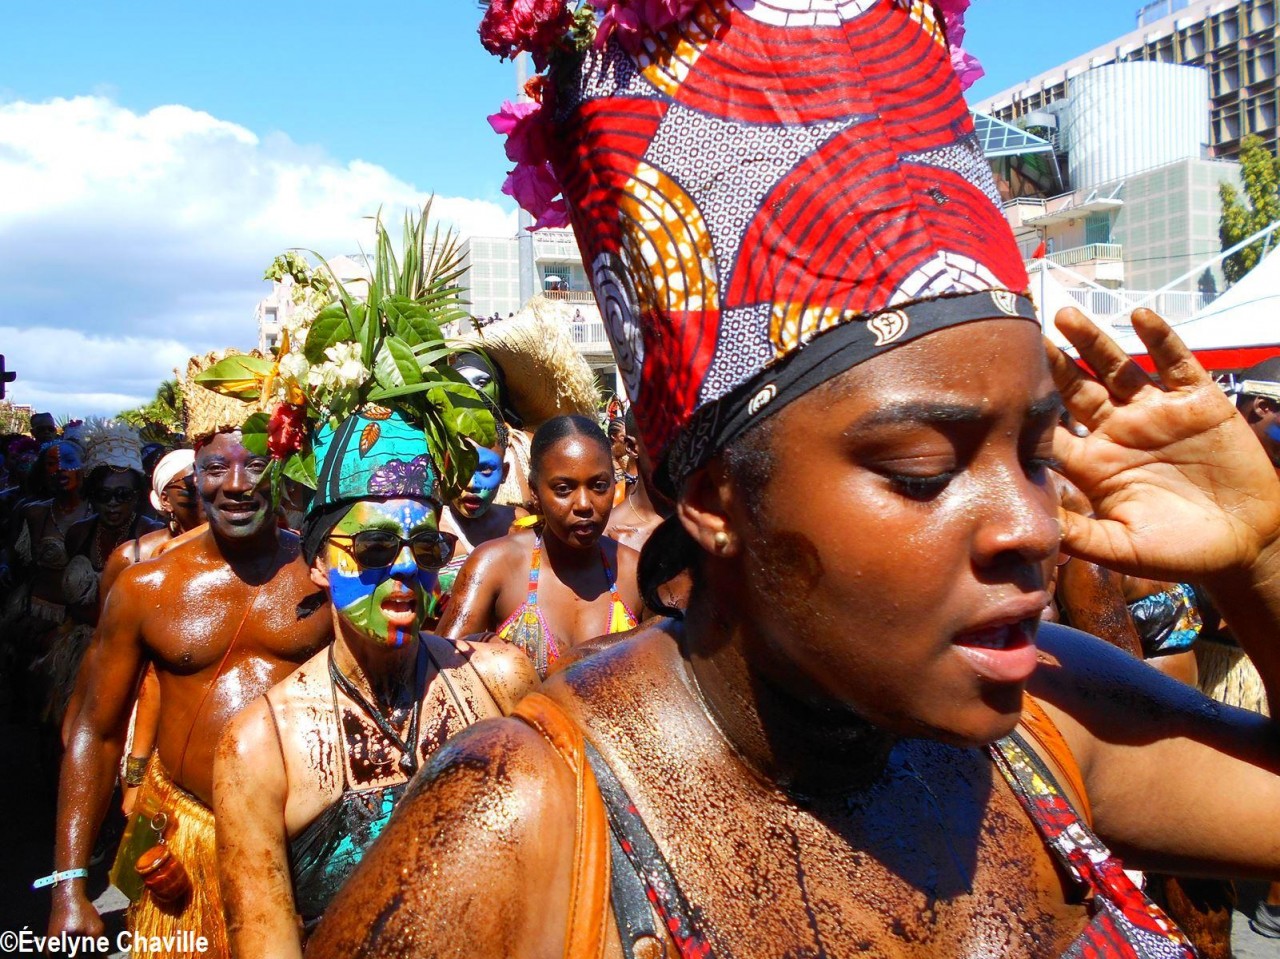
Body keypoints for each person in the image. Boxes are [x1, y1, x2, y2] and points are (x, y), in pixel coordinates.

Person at [309, 5, 1280, 956]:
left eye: (1034, 452)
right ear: (712, 497)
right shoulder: (520, 827)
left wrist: (1261, 555)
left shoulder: (1048, 715)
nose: (1029, 524)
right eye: (922, 470)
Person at [212, 407, 539, 959]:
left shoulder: (500, 681)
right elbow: (266, 940)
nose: (406, 567)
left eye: (427, 548)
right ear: (320, 564)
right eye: (376, 548)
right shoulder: (262, 747)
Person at [47, 351, 331, 958]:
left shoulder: (324, 574)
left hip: (311, 843)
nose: (236, 484)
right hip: (189, 837)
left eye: (256, 464)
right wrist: (69, 886)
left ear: (283, 468)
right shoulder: (147, 588)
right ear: (193, 475)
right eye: (215, 467)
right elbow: (94, 731)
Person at [440, 415, 641, 677]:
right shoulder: (494, 565)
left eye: (599, 486)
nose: (584, 504)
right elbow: (444, 670)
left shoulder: (635, 572)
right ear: (535, 491)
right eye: (563, 489)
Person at [437, 424, 522, 600]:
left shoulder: (518, 523)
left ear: (504, 473)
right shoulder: (433, 531)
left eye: (486, 470)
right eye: (462, 467)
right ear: (445, 468)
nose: (471, 484)